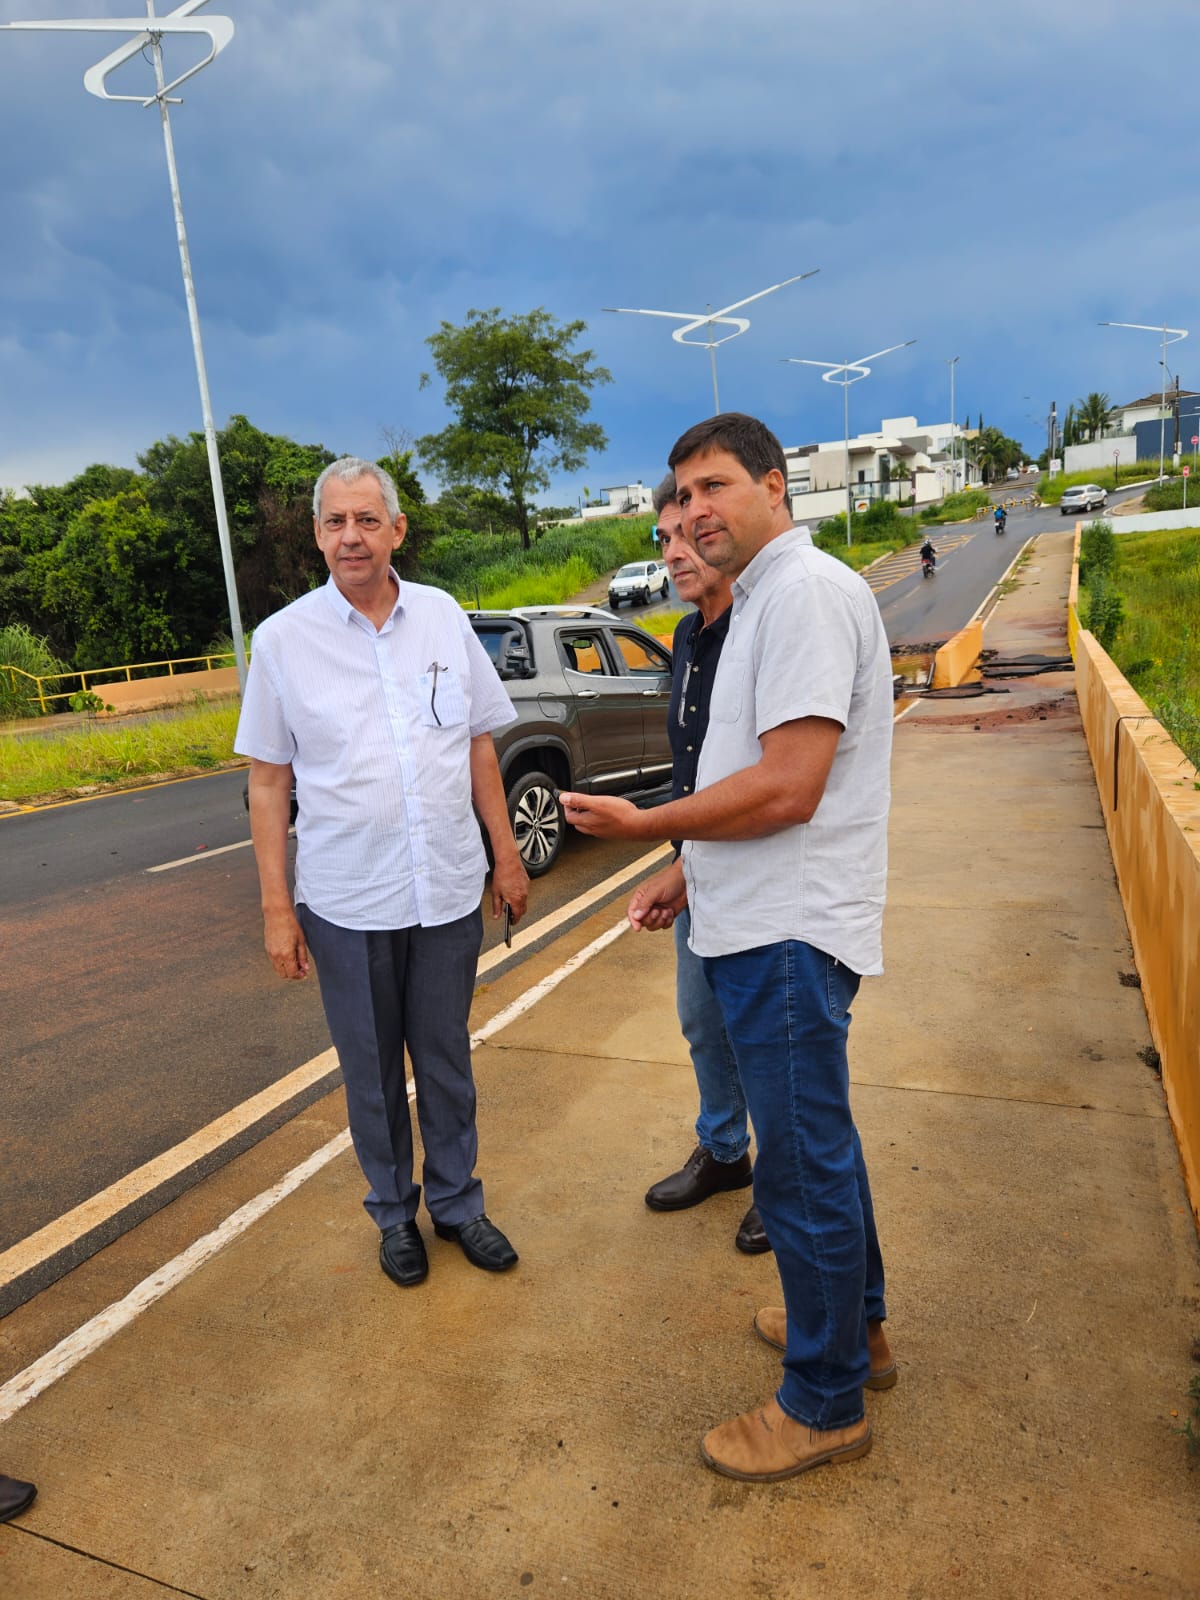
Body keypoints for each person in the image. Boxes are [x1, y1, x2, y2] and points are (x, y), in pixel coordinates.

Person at [561, 413, 894, 1483]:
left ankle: (824, 1399)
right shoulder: (761, 600)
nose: (694, 511)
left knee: (800, 1171)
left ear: (774, 487)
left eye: (715, 486)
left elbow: (791, 784)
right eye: (681, 494)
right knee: (817, 1149)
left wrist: (646, 827)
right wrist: (686, 868)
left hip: (786, 929)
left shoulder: (798, 595)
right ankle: (860, 1332)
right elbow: (756, 772)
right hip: (761, 913)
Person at [236, 457, 529, 1288]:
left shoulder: (442, 617)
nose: (351, 537)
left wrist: (505, 855)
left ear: (397, 530)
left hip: (443, 888)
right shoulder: (284, 641)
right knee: (370, 1071)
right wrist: (275, 910)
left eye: (368, 520)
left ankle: (460, 1206)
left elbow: (477, 740)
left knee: (445, 1061)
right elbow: (268, 781)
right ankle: (393, 1214)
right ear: (317, 536)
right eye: (335, 523)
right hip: (346, 897)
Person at [640, 473, 767, 1256]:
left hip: (757, 871)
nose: (675, 553)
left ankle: (782, 1180)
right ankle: (726, 1153)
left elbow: (761, 776)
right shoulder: (687, 635)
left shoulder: (758, 628)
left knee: (766, 1034)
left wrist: (666, 849)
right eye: (662, 539)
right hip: (701, 868)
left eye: (687, 535)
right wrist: (684, 866)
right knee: (702, 1022)